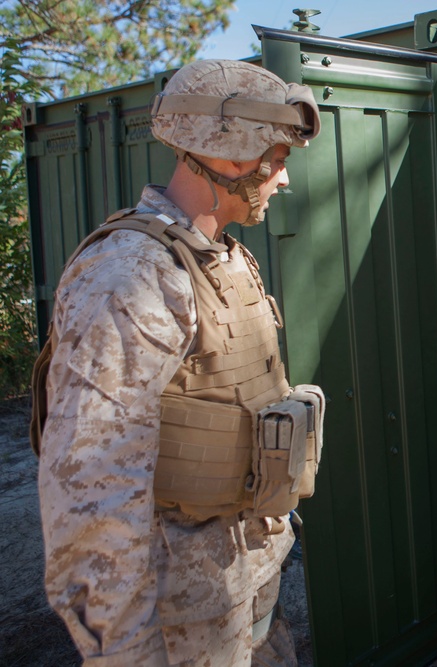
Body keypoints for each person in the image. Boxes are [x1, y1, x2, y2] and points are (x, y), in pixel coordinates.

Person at [36, 59, 322, 666]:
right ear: (231, 157)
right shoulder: (133, 275)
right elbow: (90, 489)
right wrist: (126, 653)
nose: (285, 179)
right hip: (179, 614)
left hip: (242, 581)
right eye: (278, 158)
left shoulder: (223, 258)